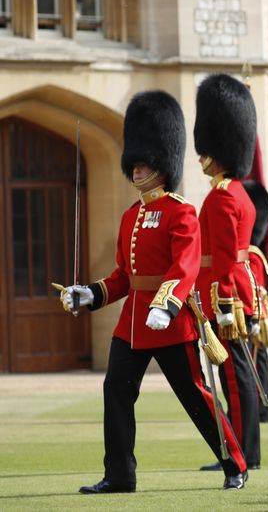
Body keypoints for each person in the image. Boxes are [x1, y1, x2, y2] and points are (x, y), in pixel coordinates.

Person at [58, 90, 248, 492]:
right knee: (116, 392)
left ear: (163, 162)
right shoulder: (132, 215)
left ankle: (234, 463)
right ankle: (120, 474)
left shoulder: (182, 212)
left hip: (171, 322)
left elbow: (185, 266)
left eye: (145, 162)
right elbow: (124, 276)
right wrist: (90, 293)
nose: (138, 169)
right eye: (135, 163)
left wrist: (166, 304)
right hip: (131, 326)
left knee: (194, 396)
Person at [193, 73, 262, 471]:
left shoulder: (221, 197)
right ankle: (245, 452)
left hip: (226, 295)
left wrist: (218, 302)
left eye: (206, 151)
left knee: (235, 380)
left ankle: (241, 455)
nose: (201, 158)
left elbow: (221, 257)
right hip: (239, 289)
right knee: (240, 374)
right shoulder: (239, 192)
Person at [243, 179, 268, 423]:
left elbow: (253, 284)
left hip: (253, 309)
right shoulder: (255, 253)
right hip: (257, 308)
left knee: (254, 358)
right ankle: (261, 407)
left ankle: (260, 407)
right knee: (258, 357)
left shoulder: (251, 254)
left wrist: (253, 315)